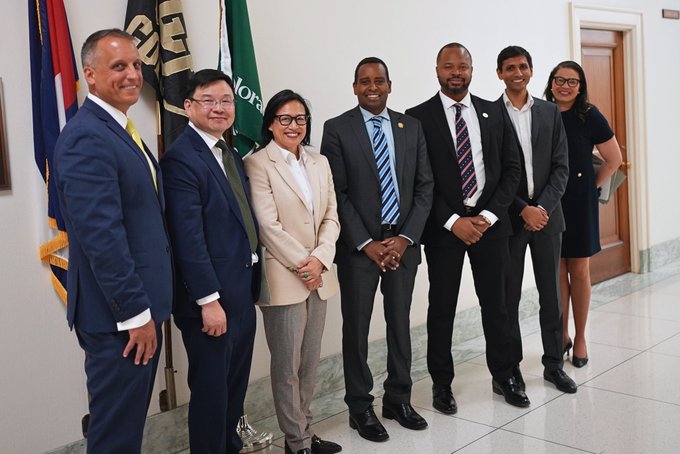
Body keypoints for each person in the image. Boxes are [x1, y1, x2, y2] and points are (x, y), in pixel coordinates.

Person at [52, 29, 172, 453]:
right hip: (119, 319)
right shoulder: (87, 136)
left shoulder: (119, 129)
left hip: (139, 310)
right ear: (90, 74)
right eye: (119, 66)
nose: (133, 75)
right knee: (115, 438)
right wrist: (135, 313)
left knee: (126, 430)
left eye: (137, 65)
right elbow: (102, 237)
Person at [406, 42, 528, 411]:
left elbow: (512, 170)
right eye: (449, 66)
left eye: (462, 66)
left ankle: (504, 375)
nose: (456, 72)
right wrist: (453, 221)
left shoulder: (493, 112)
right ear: (437, 70)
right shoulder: (418, 117)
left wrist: (488, 216)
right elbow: (419, 179)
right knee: (441, 308)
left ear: (472, 70)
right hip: (444, 230)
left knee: (498, 305)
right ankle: (441, 384)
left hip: (491, 226)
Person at [321, 57, 433, 442]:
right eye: (365, 81)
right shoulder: (337, 129)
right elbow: (337, 192)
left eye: (379, 81)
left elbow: (424, 187)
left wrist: (405, 238)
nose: (373, 87)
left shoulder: (410, 127)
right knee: (357, 328)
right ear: (355, 87)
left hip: (403, 245)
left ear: (389, 85)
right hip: (360, 250)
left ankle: (398, 399)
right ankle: (360, 406)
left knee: (400, 324)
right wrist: (366, 243)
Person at [160, 69, 260, 454]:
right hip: (212, 301)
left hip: (241, 291)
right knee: (211, 395)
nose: (219, 108)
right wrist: (208, 300)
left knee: (233, 390)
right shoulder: (181, 159)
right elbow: (188, 239)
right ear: (188, 106)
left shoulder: (228, 152)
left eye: (226, 101)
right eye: (209, 101)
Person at [244, 90, 342, 454]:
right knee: (287, 366)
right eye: (284, 118)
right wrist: (306, 264)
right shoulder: (257, 164)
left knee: (310, 364)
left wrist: (320, 259)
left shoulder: (319, 161)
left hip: (320, 275)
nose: (293, 125)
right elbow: (267, 226)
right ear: (270, 124)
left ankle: (305, 431)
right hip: (285, 279)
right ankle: (296, 441)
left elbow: (331, 216)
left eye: (300, 119)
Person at [495, 46, 577, 393]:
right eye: (510, 67)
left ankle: (554, 365)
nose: (518, 72)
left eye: (523, 66)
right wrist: (522, 208)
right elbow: (493, 174)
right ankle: (510, 369)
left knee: (551, 296)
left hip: (547, 218)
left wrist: (541, 208)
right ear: (500, 73)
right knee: (508, 298)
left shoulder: (549, 111)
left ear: (531, 70)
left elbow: (561, 167)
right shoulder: (490, 115)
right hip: (510, 220)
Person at [544, 60, 623, 368]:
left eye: (572, 81)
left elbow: (613, 159)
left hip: (579, 202)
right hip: (550, 202)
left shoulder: (589, 115)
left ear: (580, 87)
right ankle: (561, 335)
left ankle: (580, 338)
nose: (565, 86)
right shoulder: (542, 113)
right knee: (557, 270)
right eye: (559, 80)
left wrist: (591, 187)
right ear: (551, 83)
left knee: (578, 270)